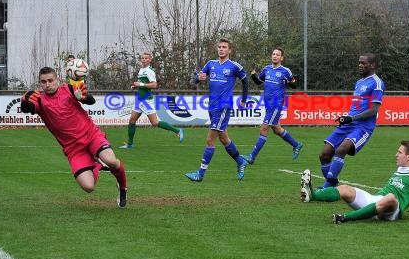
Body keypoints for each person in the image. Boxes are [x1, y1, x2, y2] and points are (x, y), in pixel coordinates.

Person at [20, 67, 128, 207]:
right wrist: (24, 101)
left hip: (91, 136)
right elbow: (27, 108)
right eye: (43, 81)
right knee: (88, 187)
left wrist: (82, 98)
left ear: (57, 79)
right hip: (73, 149)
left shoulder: (69, 89)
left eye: (50, 80)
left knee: (111, 160)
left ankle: (123, 187)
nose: (47, 84)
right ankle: (97, 165)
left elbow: (91, 100)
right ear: (40, 83)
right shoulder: (40, 101)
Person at [300, 141, 409, 224]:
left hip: (393, 209)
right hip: (375, 200)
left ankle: (345, 217)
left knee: (390, 197)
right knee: (345, 188)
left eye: (400, 152)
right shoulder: (400, 169)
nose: (396, 155)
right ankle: (312, 195)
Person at [185, 38, 250, 182]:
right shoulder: (210, 64)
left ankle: (200, 174)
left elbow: (246, 81)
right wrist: (197, 78)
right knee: (224, 138)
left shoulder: (234, 66)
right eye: (219, 47)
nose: (221, 49)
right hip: (212, 106)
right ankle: (240, 161)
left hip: (223, 107)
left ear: (229, 50)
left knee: (210, 140)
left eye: (224, 47)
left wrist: (244, 99)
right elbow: (194, 80)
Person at [317, 53, 385, 188]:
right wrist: (346, 117)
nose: (360, 65)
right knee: (324, 154)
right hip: (349, 123)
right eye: (359, 62)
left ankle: (327, 186)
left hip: (363, 127)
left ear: (372, 65)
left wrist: (352, 118)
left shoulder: (377, 83)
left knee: (341, 150)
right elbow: (357, 105)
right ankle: (334, 185)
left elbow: (374, 110)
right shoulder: (359, 82)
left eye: (363, 63)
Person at [242, 47, 303, 165]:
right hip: (267, 104)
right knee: (277, 129)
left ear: (281, 58)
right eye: (273, 54)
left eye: (277, 54)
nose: (274, 56)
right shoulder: (266, 69)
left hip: (276, 104)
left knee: (264, 128)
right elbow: (259, 82)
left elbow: (294, 85)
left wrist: (289, 82)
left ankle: (252, 156)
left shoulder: (286, 71)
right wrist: (254, 76)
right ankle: (296, 144)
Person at [120, 52, 184, 148]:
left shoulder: (150, 71)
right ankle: (130, 144)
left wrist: (140, 85)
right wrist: (135, 86)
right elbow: (142, 83)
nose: (144, 59)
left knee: (154, 123)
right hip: (139, 100)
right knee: (132, 120)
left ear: (150, 60)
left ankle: (177, 130)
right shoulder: (141, 70)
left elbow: (154, 85)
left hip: (146, 100)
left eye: (146, 58)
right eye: (142, 58)